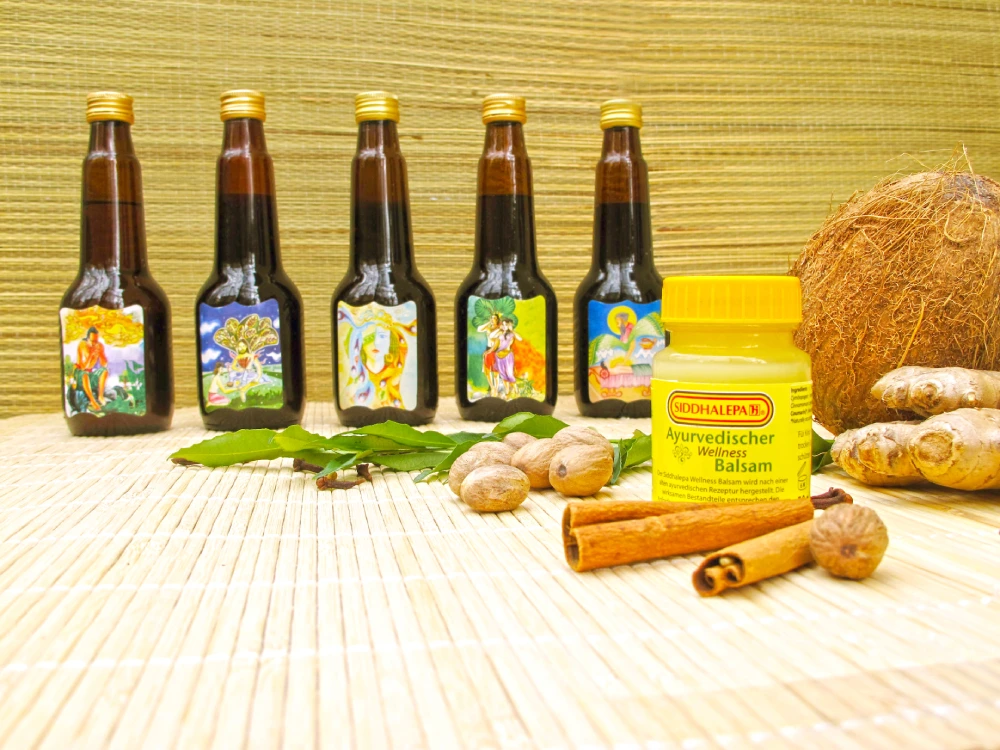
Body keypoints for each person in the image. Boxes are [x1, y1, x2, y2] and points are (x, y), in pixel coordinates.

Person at [73, 326, 108, 412]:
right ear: (87, 339)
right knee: (85, 374)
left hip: (90, 373)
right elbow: (84, 367)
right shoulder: (83, 345)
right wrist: (91, 354)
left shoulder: (99, 345)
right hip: (80, 373)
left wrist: (101, 354)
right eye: (92, 341)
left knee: (104, 371)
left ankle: (100, 396)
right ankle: (92, 401)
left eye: (96, 341)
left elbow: (104, 364)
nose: (94, 343)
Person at [493, 317, 522, 399]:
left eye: (506, 325)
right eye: (503, 324)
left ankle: (517, 392)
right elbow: (492, 335)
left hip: (508, 355)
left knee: (510, 374)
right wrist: (499, 329)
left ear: (509, 325)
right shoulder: (500, 333)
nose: (504, 326)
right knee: (503, 375)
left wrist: (512, 330)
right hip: (499, 355)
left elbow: (520, 339)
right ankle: (507, 392)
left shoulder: (512, 334)